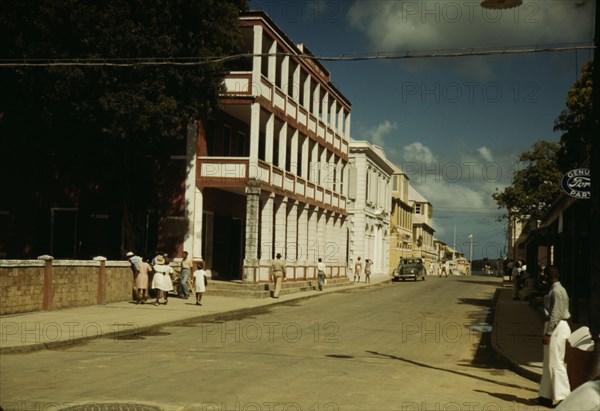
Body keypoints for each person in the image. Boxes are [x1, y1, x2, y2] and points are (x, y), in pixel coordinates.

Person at [536, 266, 571, 408]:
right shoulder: (556, 289)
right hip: (556, 326)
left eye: (545, 275)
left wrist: (548, 333)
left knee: (556, 364)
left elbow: (556, 314)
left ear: (549, 276)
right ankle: (546, 396)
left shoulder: (557, 291)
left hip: (556, 328)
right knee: (548, 364)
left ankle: (564, 398)